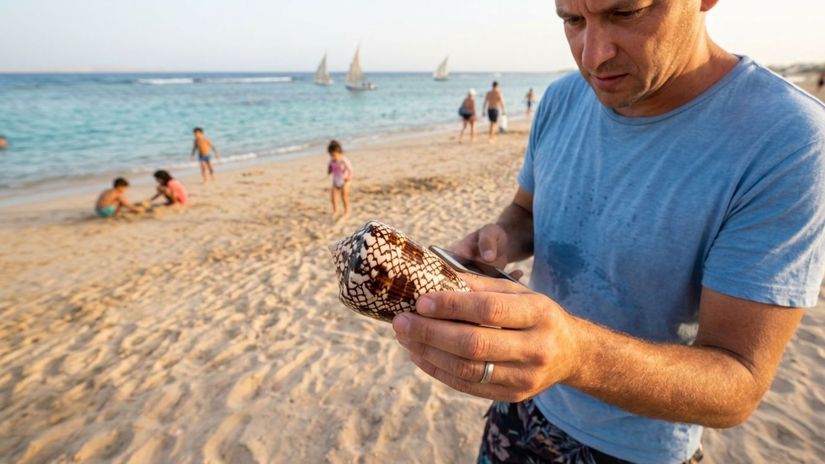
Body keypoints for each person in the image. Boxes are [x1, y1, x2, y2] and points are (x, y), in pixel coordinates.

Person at [390, 1, 825, 463]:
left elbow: (738, 383)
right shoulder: (561, 100)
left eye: (626, 13)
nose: (593, 55)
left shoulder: (788, 139)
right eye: (572, 20)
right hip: (518, 412)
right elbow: (526, 209)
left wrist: (574, 355)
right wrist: (501, 237)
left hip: (634, 451)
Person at [327, 140, 352, 217]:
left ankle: (347, 211)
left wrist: (349, 178)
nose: (333, 157)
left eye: (334, 155)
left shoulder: (343, 160)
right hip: (336, 181)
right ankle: (335, 211)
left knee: (344, 196)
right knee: (333, 197)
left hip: (345, 181)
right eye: (331, 155)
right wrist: (329, 170)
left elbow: (350, 169)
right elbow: (330, 168)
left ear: (339, 152)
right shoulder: (332, 161)